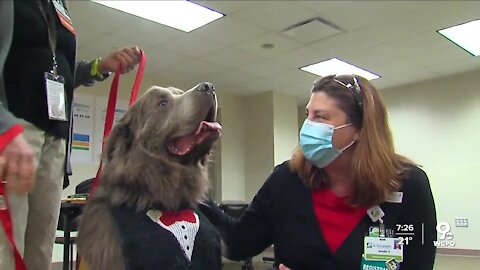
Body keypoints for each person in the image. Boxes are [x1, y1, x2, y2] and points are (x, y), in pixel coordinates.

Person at [201, 74, 437, 270]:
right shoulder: (287, 179)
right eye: (308, 116)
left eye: (321, 117)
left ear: (360, 129)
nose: (308, 127)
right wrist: (193, 192)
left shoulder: (406, 184)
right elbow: (239, 243)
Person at [0, 0, 142, 269]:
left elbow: (58, 68)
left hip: (55, 135)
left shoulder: (58, 4)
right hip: (14, 131)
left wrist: (101, 66)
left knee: (40, 244)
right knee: (7, 247)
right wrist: (4, 126)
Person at [0, 0, 37, 198]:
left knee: (44, 226)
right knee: (11, 223)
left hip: (54, 134)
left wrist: (96, 68)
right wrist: (4, 128)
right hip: (15, 124)